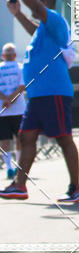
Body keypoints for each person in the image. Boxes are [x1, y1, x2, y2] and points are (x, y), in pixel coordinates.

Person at [0, 0, 79, 203]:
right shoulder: (42, 31)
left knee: (64, 138)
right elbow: (32, 27)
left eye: (36, 3)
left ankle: (75, 188)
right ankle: (19, 186)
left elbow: (36, 7)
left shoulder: (56, 21)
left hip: (54, 92)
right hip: (38, 96)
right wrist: (17, 13)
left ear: (45, 4)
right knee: (25, 137)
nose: (31, 7)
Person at [0, 43, 26, 180]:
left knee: (8, 140)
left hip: (6, 108)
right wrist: (10, 99)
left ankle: (11, 167)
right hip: (12, 109)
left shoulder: (19, 68)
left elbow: (22, 87)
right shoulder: (20, 67)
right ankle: (13, 167)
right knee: (16, 139)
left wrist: (6, 99)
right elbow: (22, 87)